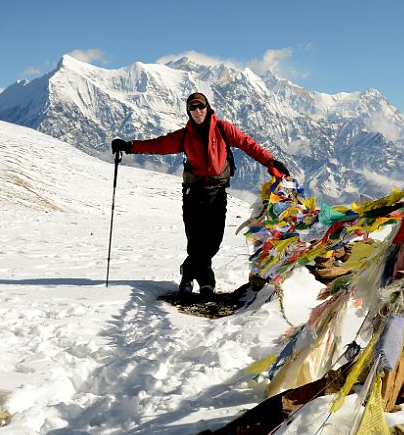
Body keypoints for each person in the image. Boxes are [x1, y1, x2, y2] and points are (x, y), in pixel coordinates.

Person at [112, 91, 289, 296]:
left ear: (208, 107)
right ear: (188, 111)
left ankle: (188, 272)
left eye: (200, 107)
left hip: (217, 192)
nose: (197, 111)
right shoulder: (185, 135)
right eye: (192, 108)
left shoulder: (223, 129)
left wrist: (270, 161)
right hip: (193, 193)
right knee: (195, 242)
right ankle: (203, 280)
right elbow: (158, 145)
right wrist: (130, 147)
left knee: (214, 240)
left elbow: (247, 144)